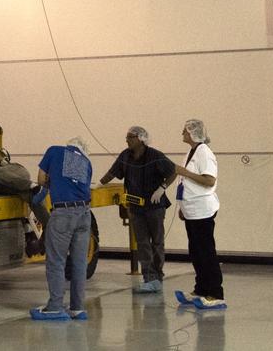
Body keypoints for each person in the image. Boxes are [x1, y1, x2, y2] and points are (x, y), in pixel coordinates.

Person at [99, 125, 176, 293]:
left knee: (157, 241)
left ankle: (158, 276)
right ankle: (148, 278)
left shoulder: (155, 156)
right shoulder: (125, 156)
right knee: (142, 243)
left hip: (155, 206)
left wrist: (162, 188)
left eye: (130, 137)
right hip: (135, 207)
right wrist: (98, 185)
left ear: (141, 139)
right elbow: (112, 173)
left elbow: (173, 171)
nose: (127, 140)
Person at [32, 137, 93, 321]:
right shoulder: (85, 161)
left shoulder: (55, 150)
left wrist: (47, 185)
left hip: (63, 214)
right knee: (79, 262)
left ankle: (55, 307)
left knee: (56, 261)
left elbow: (41, 179)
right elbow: (73, 183)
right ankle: (77, 308)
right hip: (84, 214)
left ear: (69, 144)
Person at [173, 119, 225, 310]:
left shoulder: (204, 153)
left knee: (206, 252)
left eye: (185, 131)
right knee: (196, 252)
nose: (182, 133)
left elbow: (209, 180)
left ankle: (215, 293)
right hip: (191, 209)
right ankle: (201, 289)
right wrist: (182, 207)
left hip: (203, 210)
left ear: (194, 133)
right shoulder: (192, 151)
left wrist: (184, 172)